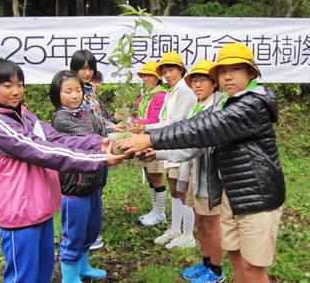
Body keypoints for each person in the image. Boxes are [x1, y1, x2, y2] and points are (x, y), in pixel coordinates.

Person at [117, 43, 285, 283]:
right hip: (233, 193)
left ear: (251, 74)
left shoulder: (251, 105)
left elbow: (201, 128)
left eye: (236, 69)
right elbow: (190, 127)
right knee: (237, 257)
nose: (228, 76)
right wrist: (157, 150)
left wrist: (149, 137)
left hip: (257, 197)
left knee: (252, 267)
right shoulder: (229, 103)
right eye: (223, 70)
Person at [0, 59, 124, 283]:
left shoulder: (24, 115)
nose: (16, 91)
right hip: (19, 211)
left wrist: (98, 143)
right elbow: (41, 150)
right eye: (7, 86)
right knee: (23, 277)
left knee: (43, 271)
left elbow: (56, 138)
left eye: (20, 84)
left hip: (40, 206)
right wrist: (99, 158)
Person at [145, 60, 224, 282]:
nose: (197, 85)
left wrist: (157, 150)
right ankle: (206, 262)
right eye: (195, 81)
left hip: (210, 175)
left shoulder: (216, 107)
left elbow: (195, 144)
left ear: (214, 83)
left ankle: (216, 270)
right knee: (200, 220)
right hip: (194, 169)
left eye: (203, 80)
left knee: (210, 223)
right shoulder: (197, 106)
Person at [50, 70, 113, 283]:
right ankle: (69, 275)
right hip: (74, 187)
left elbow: (102, 129)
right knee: (74, 232)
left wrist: (117, 131)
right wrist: (116, 143)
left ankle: (83, 265)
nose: (75, 95)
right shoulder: (61, 119)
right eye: (68, 91)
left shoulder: (85, 113)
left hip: (93, 182)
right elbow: (92, 138)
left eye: (77, 90)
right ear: (57, 94)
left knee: (91, 229)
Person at [134, 52, 197, 248]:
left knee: (183, 190)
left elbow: (175, 122)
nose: (168, 74)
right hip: (171, 144)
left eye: (172, 70)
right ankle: (175, 229)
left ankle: (188, 235)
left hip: (183, 145)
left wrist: (146, 129)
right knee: (174, 188)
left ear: (181, 70)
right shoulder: (171, 91)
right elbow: (164, 121)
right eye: (165, 71)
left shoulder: (184, 89)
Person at [129, 61, 167, 226]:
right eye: (143, 75)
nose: (145, 78)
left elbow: (156, 119)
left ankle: (160, 213)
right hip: (142, 139)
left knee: (156, 175)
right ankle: (155, 210)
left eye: (149, 75)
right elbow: (139, 114)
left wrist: (135, 122)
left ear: (157, 77)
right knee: (150, 174)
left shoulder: (161, 95)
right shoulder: (144, 95)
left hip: (154, 139)